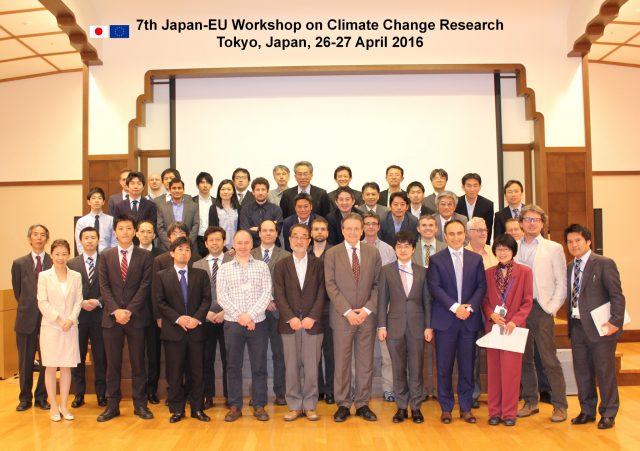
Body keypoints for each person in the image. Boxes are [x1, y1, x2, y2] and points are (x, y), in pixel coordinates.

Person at [565, 224, 625, 430]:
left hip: (602, 327)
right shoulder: (570, 267)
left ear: (588, 241)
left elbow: (617, 295)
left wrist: (615, 322)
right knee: (582, 371)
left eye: (578, 240)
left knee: (604, 371)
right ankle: (587, 410)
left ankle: (608, 412)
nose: (574, 245)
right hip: (577, 326)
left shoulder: (604, 263)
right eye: (570, 242)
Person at [427, 219, 486, 424]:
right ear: (445, 235)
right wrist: (455, 307)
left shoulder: (475, 259)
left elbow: (481, 287)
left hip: (468, 320)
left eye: (459, 233)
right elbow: (435, 288)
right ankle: (446, 408)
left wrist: (467, 308)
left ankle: (466, 408)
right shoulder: (436, 259)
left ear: (465, 235)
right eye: (451, 234)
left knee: (467, 367)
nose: (456, 237)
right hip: (446, 321)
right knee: (444, 367)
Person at [324, 213, 382, 422]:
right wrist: (348, 311)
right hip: (342, 317)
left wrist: (366, 310)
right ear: (342, 230)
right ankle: (343, 404)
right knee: (342, 362)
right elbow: (330, 285)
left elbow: (377, 285)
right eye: (348, 228)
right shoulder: (332, 253)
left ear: (363, 230)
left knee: (365, 362)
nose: (352, 232)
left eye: (356, 228)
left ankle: (363, 403)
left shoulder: (372, 252)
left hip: (366, 317)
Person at [97, 214, 154, 422]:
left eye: (129, 228)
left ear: (135, 232)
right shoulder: (106, 255)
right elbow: (103, 286)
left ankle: (140, 405)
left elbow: (145, 286)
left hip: (136, 318)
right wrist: (116, 310)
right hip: (111, 319)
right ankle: (112, 405)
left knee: (139, 363)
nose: (125, 232)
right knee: (112, 364)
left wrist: (129, 310)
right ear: (115, 231)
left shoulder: (144, 256)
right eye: (121, 228)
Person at [515, 204, 568, 422]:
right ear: (521, 223)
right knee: (524, 358)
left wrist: (551, 308)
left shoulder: (553, 248)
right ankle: (530, 401)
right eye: (527, 219)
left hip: (541, 308)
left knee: (548, 358)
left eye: (536, 219)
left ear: (543, 223)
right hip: (519, 309)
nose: (532, 223)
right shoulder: (513, 246)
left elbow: (561, 283)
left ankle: (559, 405)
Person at [153, 237, 212, 423]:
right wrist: (179, 318)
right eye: (180, 249)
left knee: (197, 372)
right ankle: (177, 410)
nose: (184, 253)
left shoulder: (200, 274)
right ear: (172, 253)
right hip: (174, 332)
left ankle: (197, 409)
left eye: (187, 250)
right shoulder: (162, 275)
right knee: (174, 373)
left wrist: (196, 318)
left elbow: (206, 299)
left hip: (196, 331)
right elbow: (160, 302)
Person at [217, 230, 272, 422]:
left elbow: (266, 294)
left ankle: (259, 405)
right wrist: (240, 316)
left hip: (257, 323)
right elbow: (222, 296)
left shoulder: (262, 267)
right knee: (233, 366)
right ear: (233, 243)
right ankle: (235, 405)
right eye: (239, 242)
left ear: (251, 244)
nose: (242, 246)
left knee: (259, 366)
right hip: (233, 323)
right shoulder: (224, 268)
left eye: (246, 242)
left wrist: (250, 315)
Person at [378, 231, 432, 423]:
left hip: (418, 327)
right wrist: (381, 326)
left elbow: (427, 301)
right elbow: (382, 300)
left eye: (406, 246)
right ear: (395, 249)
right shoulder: (386, 271)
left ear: (413, 249)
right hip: (394, 326)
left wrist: (428, 326)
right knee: (398, 368)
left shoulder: (423, 271)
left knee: (416, 368)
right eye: (399, 246)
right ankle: (401, 407)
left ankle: (416, 407)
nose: (403, 249)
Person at [274, 224, 326, 421]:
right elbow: (278, 293)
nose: (299, 240)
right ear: (289, 240)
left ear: (309, 240)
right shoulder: (281, 265)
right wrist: (291, 317)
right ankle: (294, 405)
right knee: (292, 366)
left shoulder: (319, 264)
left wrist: (312, 316)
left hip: (314, 324)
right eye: (295, 236)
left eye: (303, 237)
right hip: (290, 325)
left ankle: (310, 405)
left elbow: (323, 292)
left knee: (312, 367)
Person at [482, 234, 533, 427]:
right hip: (494, 328)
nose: (502, 252)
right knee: (494, 372)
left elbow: (527, 302)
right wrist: (491, 315)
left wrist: (515, 321)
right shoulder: (488, 273)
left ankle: (509, 413)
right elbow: (485, 300)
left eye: (506, 249)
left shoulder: (525, 272)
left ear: (513, 251)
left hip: (514, 329)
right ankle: (494, 412)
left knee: (511, 373)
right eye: (499, 249)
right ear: (494, 251)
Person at [37, 239, 83, 422]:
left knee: (66, 367)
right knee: (50, 366)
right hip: (51, 327)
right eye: (57, 254)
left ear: (69, 255)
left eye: (64, 254)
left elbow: (79, 301)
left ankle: (64, 405)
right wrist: (58, 319)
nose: (61, 257)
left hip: (70, 328)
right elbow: (42, 301)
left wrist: (71, 320)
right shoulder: (44, 276)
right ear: (52, 255)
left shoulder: (76, 276)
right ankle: (53, 406)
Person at [250, 220, 291, 405]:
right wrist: (263, 302)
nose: (267, 233)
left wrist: (273, 300)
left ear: (277, 234)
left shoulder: (286, 256)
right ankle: (257, 395)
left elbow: (287, 284)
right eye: (264, 230)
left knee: (279, 354)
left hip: (278, 311)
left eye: (271, 230)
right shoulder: (249, 254)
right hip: (255, 312)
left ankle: (281, 393)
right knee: (256, 355)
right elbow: (247, 284)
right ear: (259, 233)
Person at [12, 224, 51, 412]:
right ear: (29, 238)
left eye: (43, 235)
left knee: (47, 362)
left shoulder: (55, 262)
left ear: (47, 239)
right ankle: (25, 398)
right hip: (25, 320)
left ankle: (42, 397)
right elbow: (18, 293)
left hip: (48, 321)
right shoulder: (19, 263)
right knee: (25, 361)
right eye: (35, 235)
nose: (39, 238)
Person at [68, 227, 107, 409]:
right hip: (79, 317)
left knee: (101, 357)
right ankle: (79, 394)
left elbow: (110, 287)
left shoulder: (105, 261)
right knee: (78, 356)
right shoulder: (71, 263)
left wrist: (98, 301)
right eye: (86, 238)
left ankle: (101, 394)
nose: (90, 241)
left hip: (100, 316)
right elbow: (68, 290)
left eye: (93, 238)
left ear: (98, 240)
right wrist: (81, 302)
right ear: (80, 241)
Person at [193, 226, 232, 409]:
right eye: (211, 240)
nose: (215, 243)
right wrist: (205, 313)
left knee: (229, 359)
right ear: (206, 243)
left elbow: (238, 290)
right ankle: (207, 396)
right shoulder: (197, 265)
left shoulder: (234, 262)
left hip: (229, 317)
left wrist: (226, 312)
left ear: (224, 242)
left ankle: (230, 396)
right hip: (206, 318)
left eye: (219, 239)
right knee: (205, 359)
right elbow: (195, 294)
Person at [361, 212, 396, 402]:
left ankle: (389, 388)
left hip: (384, 306)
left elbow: (391, 279)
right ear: (362, 227)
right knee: (362, 353)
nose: (371, 227)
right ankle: (360, 390)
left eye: (374, 223)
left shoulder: (388, 250)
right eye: (367, 224)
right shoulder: (356, 247)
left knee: (387, 354)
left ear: (379, 226)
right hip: (362, 307)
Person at [465, 216, 499, 408]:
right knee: (473, 354)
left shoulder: (494, 252)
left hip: (495, 310)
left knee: (497, 351)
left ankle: (497, 393)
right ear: (469, 233)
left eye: (485, 230)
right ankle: (473, 393)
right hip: (472, 309)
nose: (483, 233)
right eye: (478, 230)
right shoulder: (464, 253)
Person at [309, 218, 335, 405]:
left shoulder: (335, 253)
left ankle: (331, 390)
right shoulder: (304, 253)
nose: (319, 232)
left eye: (322, 229)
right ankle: (316, 389)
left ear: (327, 233)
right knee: (313, 353)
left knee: (331, 353)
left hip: (331, 309)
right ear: (311, 233)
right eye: (316, 229)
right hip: (310, 311)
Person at [111, 172, 158, 244]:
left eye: (139, 184)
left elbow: (153, 226)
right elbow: (116, 226)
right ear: (127, 186)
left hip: (145, 245)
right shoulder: (119, 206)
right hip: (126, 244)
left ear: (143, 187)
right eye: (132, 183)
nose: (135, 186)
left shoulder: (151, 205)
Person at [239, 177, 284, 248]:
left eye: (263, 189)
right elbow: (245, 231)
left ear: (268, 191)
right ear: (253, 192)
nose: (260, 192)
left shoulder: (276, 209)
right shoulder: (245, 209)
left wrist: (256, 229)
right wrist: (268, 229)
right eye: (257, 190)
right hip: (252, 248)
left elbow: (277, 231)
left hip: (274, 248)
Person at [157, 177, 199, 251]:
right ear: (169, 190)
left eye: (179, 188)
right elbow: (160, 227)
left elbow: (196, 225)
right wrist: (171, 245)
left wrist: (187, 243)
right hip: (167, 248)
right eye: (174, 188)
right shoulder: (162, 207)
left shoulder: (193, 206)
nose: (177, 190)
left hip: (188, 248)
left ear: (183, 190)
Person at [75, 187, 116, 254]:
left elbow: (114, 241)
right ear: (88, 202)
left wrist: (111, 256)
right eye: (93, 198)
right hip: (88, 255)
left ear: (103, 202)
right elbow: (79, 244)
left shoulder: (111, 220)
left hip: (107, 256)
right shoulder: (82, 221)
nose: (97, 201)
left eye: (99, 198)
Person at [455, 173, 494, 243]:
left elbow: (488, 229)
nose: (472, 189)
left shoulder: (488, 204)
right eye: (469, 186)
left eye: (475, 186)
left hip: (479, 243)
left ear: (480, 187)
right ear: (463, 187)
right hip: (460, 243)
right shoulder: (456, 203)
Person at [208, 179, 241, 249]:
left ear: (233, 192)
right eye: (223, 189)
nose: (226, 192)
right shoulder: (213, 208)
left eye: (229, 189)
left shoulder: (238, 208)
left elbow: (240, 228)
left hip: (236, 246)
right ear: (219, 192)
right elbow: (212, 230)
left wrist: (234, 247)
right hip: (219, 246)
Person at [192, 171, 214, 257]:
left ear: (211, 185)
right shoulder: (191, 201)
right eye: (202, 182)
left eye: (208, 182)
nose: (205, 185)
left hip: (212, 238)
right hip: (196, 238)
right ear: (197, 185)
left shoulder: (216, 201)